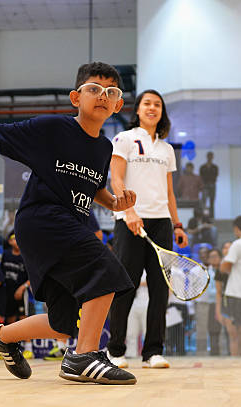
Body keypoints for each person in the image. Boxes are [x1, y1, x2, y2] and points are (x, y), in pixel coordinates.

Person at [0, 62, 137, 385]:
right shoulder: (52, 129)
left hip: (65, 227)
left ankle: (2, 336)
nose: (102, 96)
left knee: (62, 323)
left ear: (118, 104)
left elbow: (94, 187)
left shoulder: (104, 147)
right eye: (93, 89)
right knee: (108, 269)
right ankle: (84, 356)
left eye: (111, 92)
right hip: (42, 220)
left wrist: (115, 202)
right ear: (76, 97)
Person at [106, 89, 188, 369]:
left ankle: (153, 351)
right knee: (125, 286)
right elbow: (115, 180)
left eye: (157, 105)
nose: (152, 108)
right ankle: (115, 350)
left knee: (158, 289)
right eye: (147, 104)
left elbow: (169, 192)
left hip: (161, 223)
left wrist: (177, 224)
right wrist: (128, 211)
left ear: (162, 112)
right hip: (130, 222)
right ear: (138, 110)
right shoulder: (124, 139)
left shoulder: (166, 149)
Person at [220, 216, 241, 356]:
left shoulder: (238, 244)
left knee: (235, 331)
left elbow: (225, 266)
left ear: (236, 229)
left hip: (235, 292)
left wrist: (223, 266)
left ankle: (236, 360)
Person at [1, 231, 33, 359]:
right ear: (9, 241)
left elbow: (32, 276)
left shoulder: (26, 256)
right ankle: (11, 348)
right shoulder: (6, 255)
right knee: (10, 319)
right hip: (8, 292)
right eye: (14, 239)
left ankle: (29, 348)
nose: (17, 241)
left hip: (22, 292)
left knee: (24, 318)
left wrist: (23, 287)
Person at [195, 248, 222, 355]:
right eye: (202, 254)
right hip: (204, 304)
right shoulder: (198, 270)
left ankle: (218, 353)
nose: (205, 256)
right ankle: (201, 353)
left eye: (207, 254)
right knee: (202, 330)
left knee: (216, 331)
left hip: (217, 304)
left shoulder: (218, 270)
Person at [199, 151, 218, 217]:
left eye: (211, 156)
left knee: (211, 202)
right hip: (205, 185)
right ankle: (205, 216)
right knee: (204, 202)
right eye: (209, 156)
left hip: (212, 185)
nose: (210, 157)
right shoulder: (203, 167)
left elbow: (216, 176)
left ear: (212, 157)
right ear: (207, 157)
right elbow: (201, 176)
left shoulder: (215, 167)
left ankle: (211, 216)